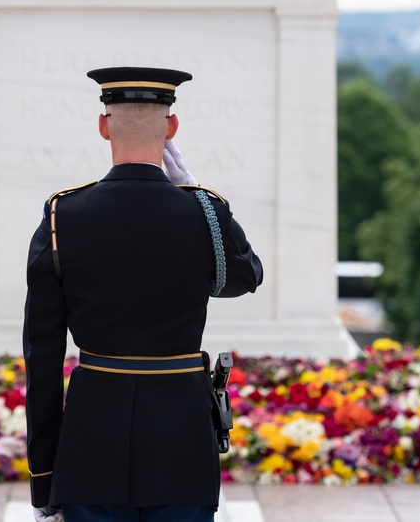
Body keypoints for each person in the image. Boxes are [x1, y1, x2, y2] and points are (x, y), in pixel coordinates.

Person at [22, 66, 263, 522]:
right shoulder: (203, 212)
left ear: (103, 126)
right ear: (171, 127)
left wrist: (44, 479)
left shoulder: (62, 217)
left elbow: (43, 355)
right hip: (182, 447)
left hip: (92, 448)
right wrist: (198, 198)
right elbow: (244, 277)